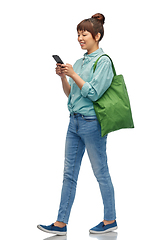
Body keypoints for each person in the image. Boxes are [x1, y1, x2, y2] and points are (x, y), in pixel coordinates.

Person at [37, 13, 117, 235]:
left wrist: (74, 73)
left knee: (101, 172)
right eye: (78, 34)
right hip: (73, 123)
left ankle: (110, 219)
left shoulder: (104, 62)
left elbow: (92, 93)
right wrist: (64, 77)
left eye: (84, 34)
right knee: (68, 174)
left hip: (93, 124)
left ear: (97, 36)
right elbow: (72, 95)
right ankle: (61, 223)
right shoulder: (80, 62)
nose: (80, 38)